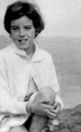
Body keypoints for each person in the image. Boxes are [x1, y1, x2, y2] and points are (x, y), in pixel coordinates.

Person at [0, 1, 63, 132]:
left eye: (27, 28)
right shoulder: (3, 58)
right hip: (11, 118)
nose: (22, 34)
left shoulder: (45, 57)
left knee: (48, 92)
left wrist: (57, 104)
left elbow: (54, 92)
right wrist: (29, 107)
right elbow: (2, 102)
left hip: (38, 118)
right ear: (9, 31)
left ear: (36, 29)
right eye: (15, 28)